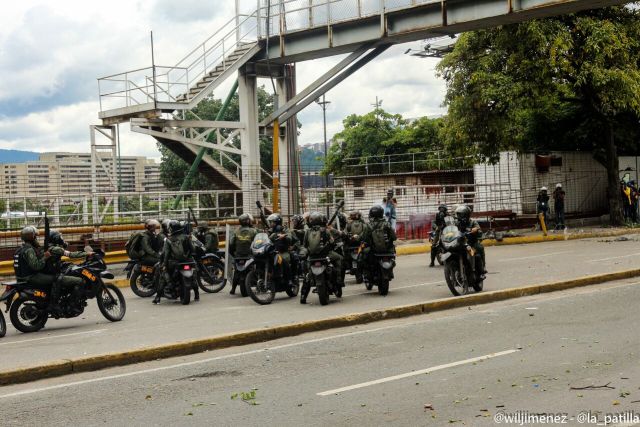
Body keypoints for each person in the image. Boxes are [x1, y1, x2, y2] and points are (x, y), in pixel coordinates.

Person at [300, 211, 344, 304]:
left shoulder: (308, 232)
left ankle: (303, 296)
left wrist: (304, 253)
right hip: (326, 255)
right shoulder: (326, 230)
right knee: (339, 258)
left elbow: (304, 245)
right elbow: (332, 242)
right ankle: (339, 281)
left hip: (312, 257)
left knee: (307, 275)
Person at [153, 220, 198, 304]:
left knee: (163, 274)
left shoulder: (168, 240)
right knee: (193, 275)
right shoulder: (187, 237)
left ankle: (157, 297)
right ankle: (197, 294)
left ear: (171, 229)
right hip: (188, 261)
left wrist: (164, 265)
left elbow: (166, 254)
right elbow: (193, 249)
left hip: (174, 263)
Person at [46, 230, 89, 314]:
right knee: (80, 281)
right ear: (56, 239)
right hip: (55, 275)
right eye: (60, 237)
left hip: (51, 272)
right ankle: (72, 305)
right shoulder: (56, 249)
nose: (61, 238)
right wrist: (87, 253)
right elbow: (72, 255)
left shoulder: (48, 247)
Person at [228, 213, 258, 294]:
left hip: (238, 256)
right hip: (250, 256)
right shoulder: (253, 231)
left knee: (237, 272)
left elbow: (231, 244)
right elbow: (257, 242)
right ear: (248, 221)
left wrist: (234, 254)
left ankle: (233, 289)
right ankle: (259, 284)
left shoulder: (236, 231)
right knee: (257, 267)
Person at [364, 205, 397, 278]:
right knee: (393, 252)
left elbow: (365, 238)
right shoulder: (387, 224)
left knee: (364, 256)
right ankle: (390, 271)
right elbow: (394, 237)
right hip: (387, 250)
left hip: (374, 250)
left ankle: (367, 274)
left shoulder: (369, 225)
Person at [454, 205, 486, 280]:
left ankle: (481, 271)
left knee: (476, 252)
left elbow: (479, 230)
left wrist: (476, 230)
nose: (458, 216)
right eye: (458, 214)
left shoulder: (473, 222)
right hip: (460, 243)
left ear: (466, 215)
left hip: (471, 244)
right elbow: (451, 229)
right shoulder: (457, 223)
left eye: (460, 214)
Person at [267, 213, 294, 287]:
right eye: (270, 222)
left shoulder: (284, 229)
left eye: (272, 222)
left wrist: (284, 236)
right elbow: (266, 238)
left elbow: (289, 238)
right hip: (272, 252)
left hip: (283, 251)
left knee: (284, 260)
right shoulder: (270, 230)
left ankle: (289, 279)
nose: (270, 224)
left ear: (277, 222)